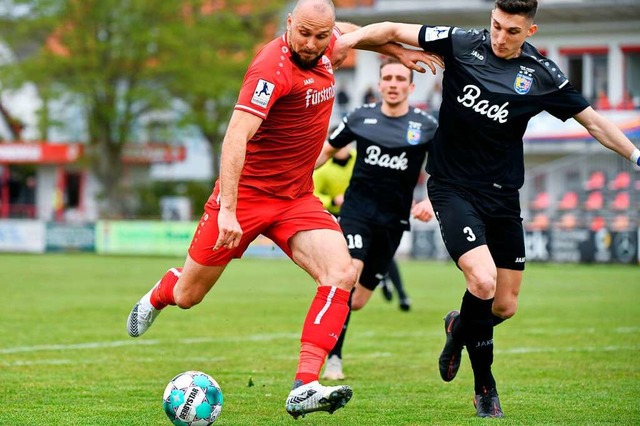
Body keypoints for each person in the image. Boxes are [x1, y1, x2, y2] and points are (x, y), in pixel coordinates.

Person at [125, 0, 443, 419]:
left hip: (295, 198)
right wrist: (229, 211)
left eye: (321, 36)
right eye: (304, 34)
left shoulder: (327, 44)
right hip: (246, 197)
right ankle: (161, 291)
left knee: (343, 273)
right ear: (289, 24)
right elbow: (236, 136)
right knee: (189, 295)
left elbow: (351, 33)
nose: (311, 45)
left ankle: (305, 384)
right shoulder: (270, 70)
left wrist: (390, 50)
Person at [333, 0, 640, 418]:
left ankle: (458, 329)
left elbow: (595, 123)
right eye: (496, 26)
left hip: (503, 197)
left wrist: (636, 157)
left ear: (529, 32)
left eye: (511, 31)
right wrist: (346, 40)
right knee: (483, 280)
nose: (499, 36)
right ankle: (485, 389)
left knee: (504, 306)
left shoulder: (541, 75)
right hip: (452, 188)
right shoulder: (461, 43)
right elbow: (388, 27)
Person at [315, 57, 438, 381]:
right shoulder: (360, 117)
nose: (394, 83)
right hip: (356, 214)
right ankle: (333, 359)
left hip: (393, 221)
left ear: (410, 87)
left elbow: (447, 171)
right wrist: (290, 178)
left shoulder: (426, 126)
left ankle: (338, 326)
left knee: (357, 301)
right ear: (380, 85)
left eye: (401, 78)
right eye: (388, 78)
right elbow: (326, 151)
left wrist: (431, 201)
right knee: (347, 274)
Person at [312, 143, 412, 312]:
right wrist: (333, 200)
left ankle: (400, 293)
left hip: (366, 214)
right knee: (350, 259)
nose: (341, 149)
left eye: (344, 146)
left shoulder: (361, 158)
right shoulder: (323, 169)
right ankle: (349, 290)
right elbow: (314, 193)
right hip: (339, 217)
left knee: (384, 254)